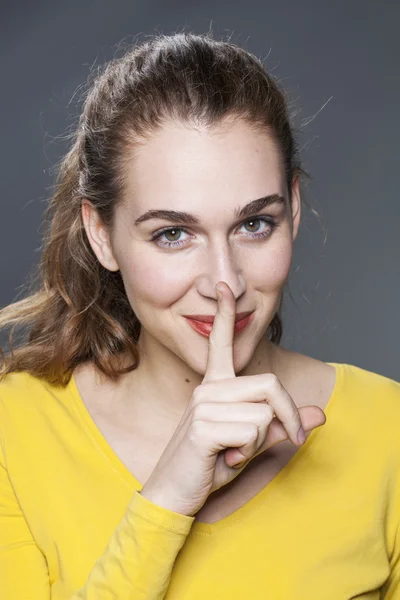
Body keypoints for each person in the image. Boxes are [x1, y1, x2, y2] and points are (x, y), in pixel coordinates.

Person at [0, 31, 399, 600]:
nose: (225, 282)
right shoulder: (13, 431)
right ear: (101, 235)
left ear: (294, 211)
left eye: (254, 224)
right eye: (173, 234)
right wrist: (167, 497)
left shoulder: (390, 430)